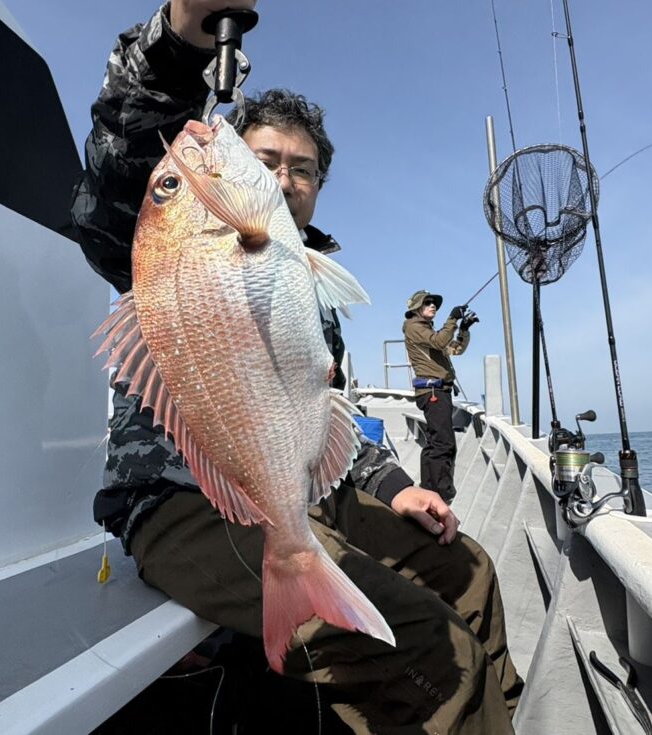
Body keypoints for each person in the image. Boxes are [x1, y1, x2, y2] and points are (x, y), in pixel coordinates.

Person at [71, 3, 522, 732]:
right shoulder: (168, 235)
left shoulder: (309, 288)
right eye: (266, 160)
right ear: (233, 168)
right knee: (435, 655)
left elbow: (327, 416)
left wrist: (399, 488)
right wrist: (183, 35)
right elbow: (120, 156)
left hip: (294, 488)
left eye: (303, 169)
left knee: (467, 571)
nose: (285, 178)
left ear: (318, 188)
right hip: (182, 501)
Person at [403, 291, 477, 504]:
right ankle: (442, 495)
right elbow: (439, 341)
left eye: (434, 303)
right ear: (417, 308)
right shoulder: (414, 327)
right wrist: (452, 319)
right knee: (444, 443)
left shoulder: (427, 330)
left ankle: (429, 489)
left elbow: (454, 349)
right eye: (428, 303)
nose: (433, 306)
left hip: (439, 391)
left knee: (435, 442)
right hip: (433, 392)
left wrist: (463, 330)